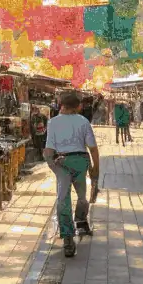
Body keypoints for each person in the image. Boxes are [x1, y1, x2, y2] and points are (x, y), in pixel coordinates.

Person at [43, 93, 100, 257]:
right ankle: (81, 220)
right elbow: (93, 148)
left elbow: (49, 149)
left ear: (61, 105)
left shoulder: (53, 122)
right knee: (82, 195)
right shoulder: (83, 121)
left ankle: (68, 238)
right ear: (78, 106)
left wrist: (52, 165)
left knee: (63, 199)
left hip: (62, 162)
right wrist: (96, 168)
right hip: (81, 161)